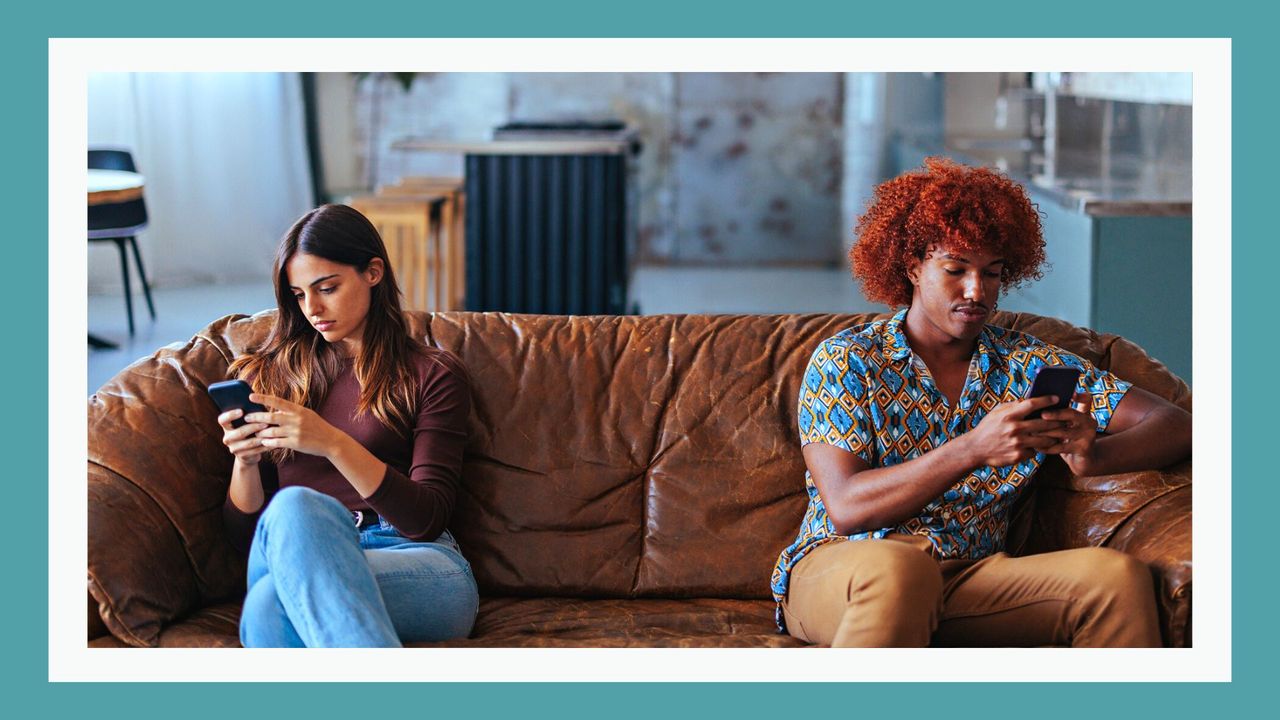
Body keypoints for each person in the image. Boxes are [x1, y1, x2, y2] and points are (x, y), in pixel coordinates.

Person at [770, 157, 1192, 647]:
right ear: (912, 267)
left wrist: (1094, 454)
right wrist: (973, 448)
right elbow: (846, 506)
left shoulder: (1026, 365)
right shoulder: (848, 360)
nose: (977, 291)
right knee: (901, 571)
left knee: (1113, 581)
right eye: (956, 269)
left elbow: (1176, 423)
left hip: (964, 577)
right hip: (843, 570)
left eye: (991, 274)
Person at [219, 204, 478, 647]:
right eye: (299, 295)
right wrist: (244, 463)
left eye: (327, 288)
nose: (313, 309)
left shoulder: (432, 373)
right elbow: (246, 537)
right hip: (295, 549)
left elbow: (427, 518)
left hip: (417, 560)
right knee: (290, 518)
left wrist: (332, 443)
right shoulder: (268, 376)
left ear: (373, 272)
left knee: (269, 601)